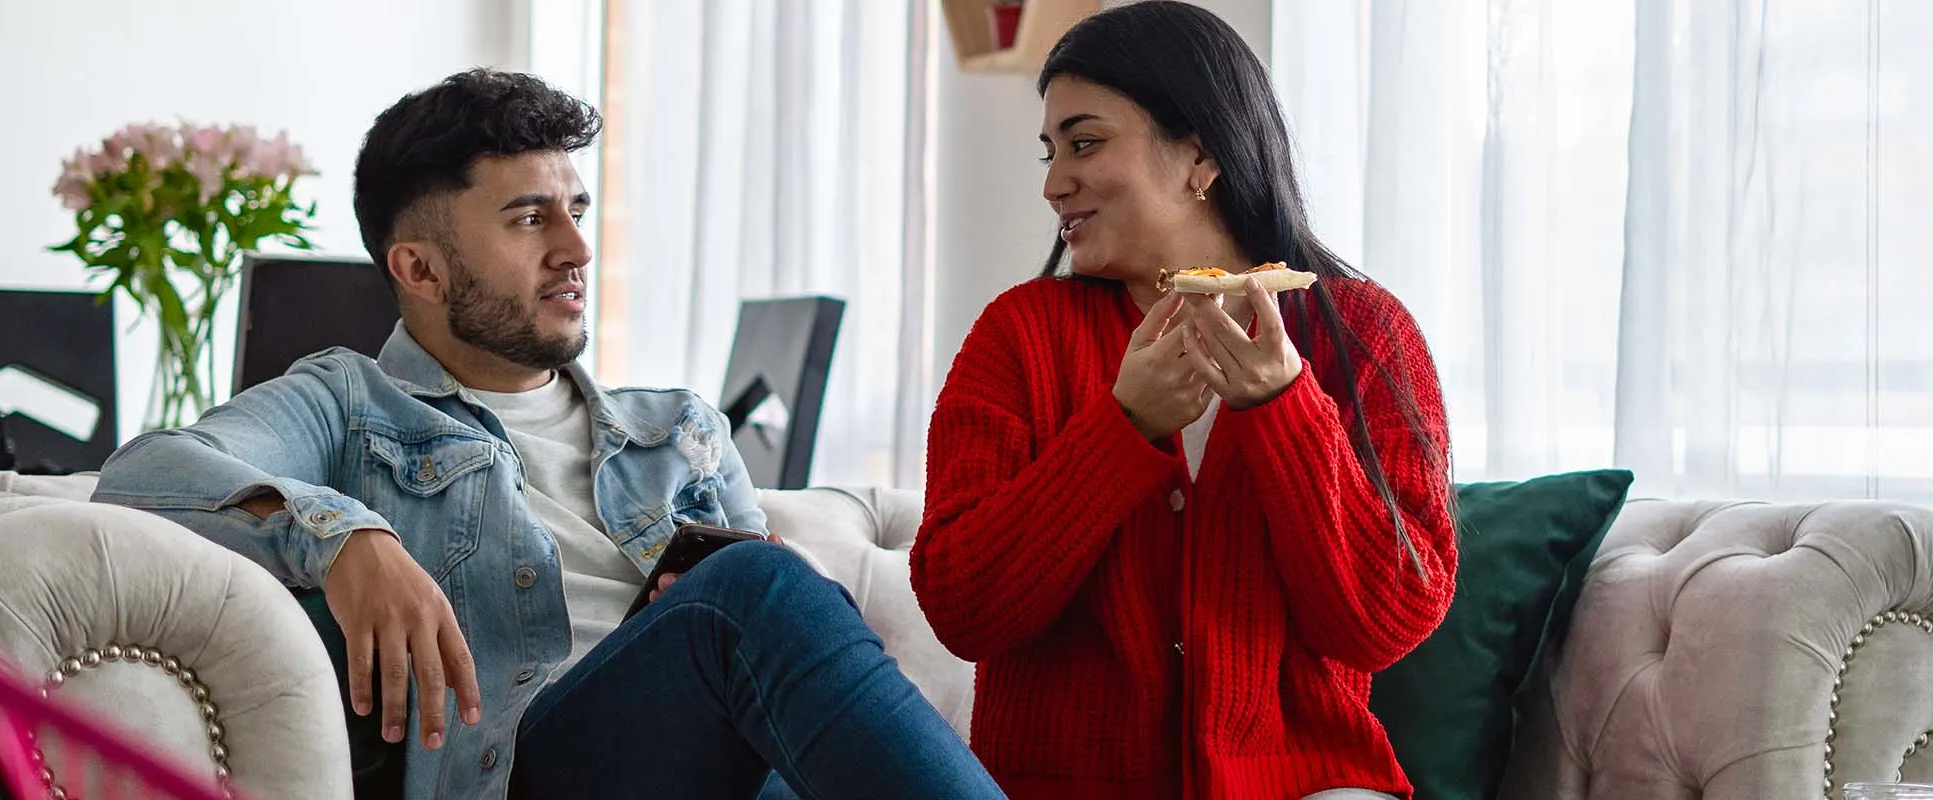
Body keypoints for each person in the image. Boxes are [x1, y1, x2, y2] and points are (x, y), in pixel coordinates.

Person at [92, 69, 1002, 800]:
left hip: (714, 752)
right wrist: (345, 537)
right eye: (530, 217)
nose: (576, 247)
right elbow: (144, 475)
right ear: (420, 268)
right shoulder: (348, 402)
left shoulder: (678, 428)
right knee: (753, 589)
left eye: (576, 209)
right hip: (531, 771)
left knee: (757, 593)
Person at [911, 3, 1457, 799]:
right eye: (1050, 151)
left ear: (1198, 153)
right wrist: (1119, 429)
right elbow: (964, 610)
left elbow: (1384, 621)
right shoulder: (1018, 334)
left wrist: (1285, 408)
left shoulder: (1367, 334)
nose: (1054, 183)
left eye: (1085, 142)